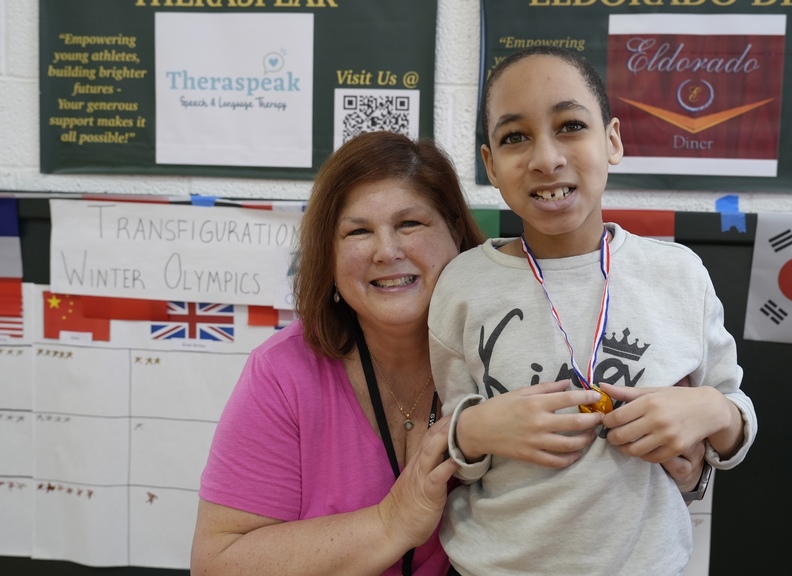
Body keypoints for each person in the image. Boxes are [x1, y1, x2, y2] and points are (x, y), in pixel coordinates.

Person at [428, 46, 758, 575]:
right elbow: (448, 442)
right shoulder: (463, 285)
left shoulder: (680, 276)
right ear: (490, 163)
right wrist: (475, 430)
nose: (546, 158)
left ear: (612, 140)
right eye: (515, 137)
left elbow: (733, 421)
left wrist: (712, 411)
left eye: (570, 125)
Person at [191, 131, 486, 576]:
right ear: (328, 257)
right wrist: (392, 522)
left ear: (456, 233)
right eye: (358, 231)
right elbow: (216, 565)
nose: (387, 251)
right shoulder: (282, 373)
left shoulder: (502, 348)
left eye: (410, 224)